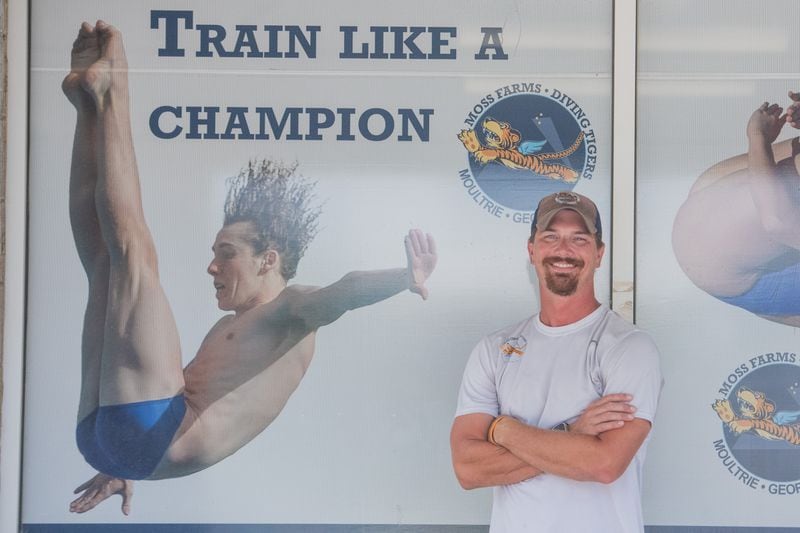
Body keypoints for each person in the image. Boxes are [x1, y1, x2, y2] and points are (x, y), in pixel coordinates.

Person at [64, 21, 437, 514]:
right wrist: (123, 462)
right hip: (109, 442)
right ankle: (88, 109)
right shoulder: (233, 325)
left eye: (226, 254)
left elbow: (342, 292)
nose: (212, 267)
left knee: (135, 257)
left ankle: (115, 90)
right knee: (105, 268)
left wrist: (403, 278)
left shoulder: (291, 312)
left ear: (269, 261)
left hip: (148, 435)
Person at [450, 191, 662, 533]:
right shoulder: (494, 350)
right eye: (551, 237)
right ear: (532, 249)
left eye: (579, 238)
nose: (564, 250)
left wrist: (502, 430)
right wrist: (572, 432)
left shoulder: (629, 347)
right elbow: (468, 469)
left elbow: (604, 463)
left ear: (599, 254)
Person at [673, 94, 800, 327]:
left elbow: (777, 223)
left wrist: (757, 135)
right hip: (721, 263)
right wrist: (758, 137)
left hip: (739, 273)